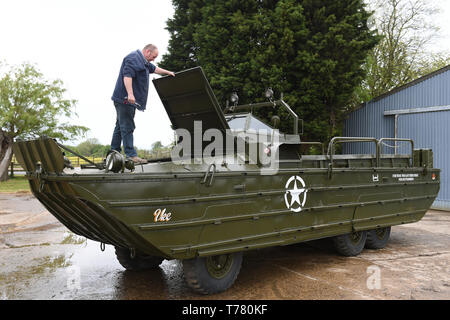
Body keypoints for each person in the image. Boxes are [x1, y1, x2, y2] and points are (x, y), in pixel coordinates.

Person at [110, 44, 175, 164]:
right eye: (153, 56)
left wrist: (168, 72)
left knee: (120, 126)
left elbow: (154, 68)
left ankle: (114, 153)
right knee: (127, 126)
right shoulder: (133, 58)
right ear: (147, 52)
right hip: (125, 99)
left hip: (125, 100)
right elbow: (127, 76)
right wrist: (130, 94)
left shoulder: (143, 61)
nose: (154, 59)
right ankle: (131, 155)